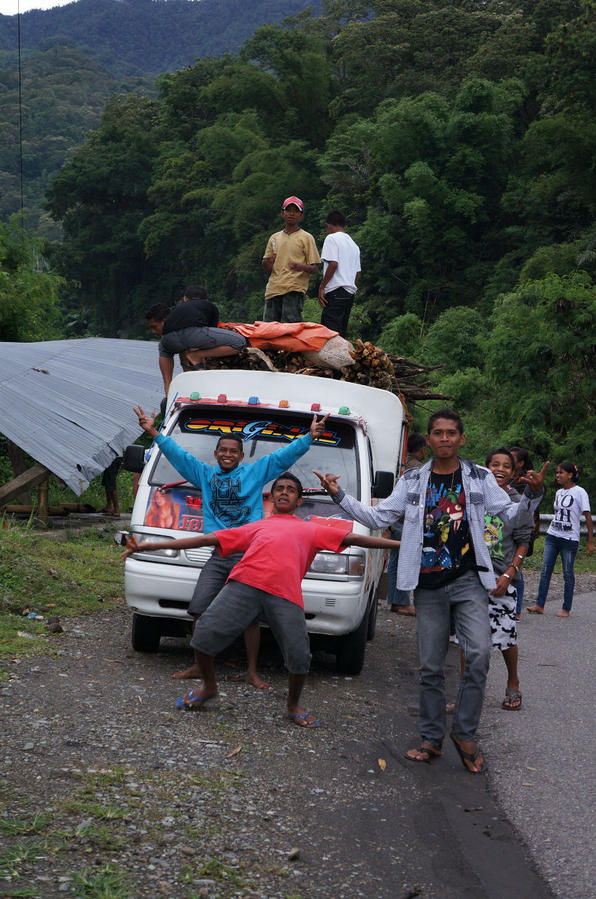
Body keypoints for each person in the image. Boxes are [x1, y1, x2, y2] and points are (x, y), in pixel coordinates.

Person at [314, 408, 548, 774]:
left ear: (461, 439)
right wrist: (339, 495)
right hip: (427, 585)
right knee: (430, 666)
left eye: (450, 433)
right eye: (437, 432)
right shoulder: (412, 480)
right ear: (430, 436)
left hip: (469, 580)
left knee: (480, 653)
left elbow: (512, 517)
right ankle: (431, 738)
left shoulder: (478, 477)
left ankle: (465, 733)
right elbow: (379, 518)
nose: (443, 439)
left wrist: (533, 497)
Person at [121, 473, 401, 727]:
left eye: (290, 490)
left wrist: (403, 545)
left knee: (300, 656)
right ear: (272, 496)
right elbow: (207, 540)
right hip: (243, 586)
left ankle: (293, 706)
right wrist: (150, 545)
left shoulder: (311, 529)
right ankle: (208, 686)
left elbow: (357, 540)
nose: (284, 492)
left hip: (284, 594)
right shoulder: (257, 526)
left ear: (299, 500)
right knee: (203, 637)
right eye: (279, 488)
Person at [133, 404, 330, 688]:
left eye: (233, 451)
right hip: (220, 553)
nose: (227, 454)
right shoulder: (204, 474)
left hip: (249, 557)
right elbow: (177, 455)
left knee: (249, 618)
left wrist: (309, 438)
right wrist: (153, 431)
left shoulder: (255, 472)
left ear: (241, 455)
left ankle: (252, 670)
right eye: (223, 450)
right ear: (216, 454)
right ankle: (200, 665)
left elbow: (283, 456)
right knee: (200, 608)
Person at [145, 285, 246, 394]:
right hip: (193, 335)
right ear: (206, 300)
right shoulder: (210, 306)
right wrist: (200, 353)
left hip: (168, 339)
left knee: (164, 349)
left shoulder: (177, 309)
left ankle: (168, 388)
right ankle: (196, 356)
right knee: (239, 342)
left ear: (185, 299)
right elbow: (209, 334)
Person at [527, 462, 593, 617]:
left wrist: (590, 542)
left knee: (567, 573)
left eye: (561, 473)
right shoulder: (559, 493)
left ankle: (566, 608)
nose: (557, 475)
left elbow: (588, 517)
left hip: (569, 539)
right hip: (552, 535)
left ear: (570, 475)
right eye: (557, 472)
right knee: (545, 571)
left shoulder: (579, 492)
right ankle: (540, 604)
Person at [386, 432, 427, 616]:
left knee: (395, 562)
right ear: (422, 449)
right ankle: (402, 602)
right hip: (406, 522)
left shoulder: (402, 465)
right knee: (405, 562)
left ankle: (396, 601)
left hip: (396, 520)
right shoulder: (418, 469)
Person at [261, 196, 321, 323]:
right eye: (288, 210)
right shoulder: (274, 238)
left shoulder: (306, 237)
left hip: (294, 288)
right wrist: (267, 262)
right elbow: (267, 268)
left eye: (296, 210)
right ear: (282, 213)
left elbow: (315, 268)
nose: (292, 213)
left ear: (301, 215)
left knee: (289, 329)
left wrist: (301, 266)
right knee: (269, 330)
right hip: (273, 289)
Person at [318, 210, 361, 338]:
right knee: (341, 333)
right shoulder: (354, 245)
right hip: (349, 293)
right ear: (344, 227)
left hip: (336, 291)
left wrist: (322, 287)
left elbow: (333, 264)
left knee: (329, 334)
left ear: (329, 226)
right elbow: (358, 273)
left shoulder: (331, 238)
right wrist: (351, 288)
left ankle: (330, 358)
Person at [509, 446, 538, 617]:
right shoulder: (510, 478)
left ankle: (517, 610)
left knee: (517, 568)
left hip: (522, 529)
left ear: (520, 463)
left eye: (512, 459)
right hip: (509, 528)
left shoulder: (526, 480)